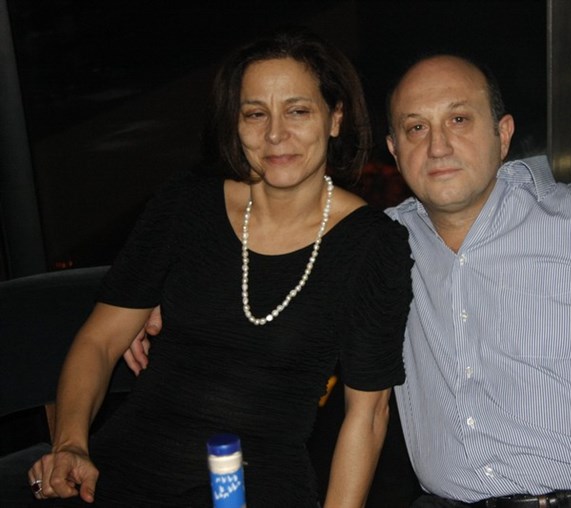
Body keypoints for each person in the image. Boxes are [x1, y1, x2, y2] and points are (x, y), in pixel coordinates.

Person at [124, 54, 571, 508]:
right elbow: (272, 285)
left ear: (503, 135)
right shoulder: (376, 248)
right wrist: (169, 303)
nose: (437, 146)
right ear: (395, 152)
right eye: (416, 128)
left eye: (459, 120)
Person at [21, 29, 413, 507]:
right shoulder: (186, 205)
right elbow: (100, 341)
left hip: (257, 485)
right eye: (255, 114)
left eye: (297, 111)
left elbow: (367, 414)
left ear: (335, 118)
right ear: (235, 123)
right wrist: (70, 445)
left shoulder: (373, 244)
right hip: (127, 466)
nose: (275, 134)